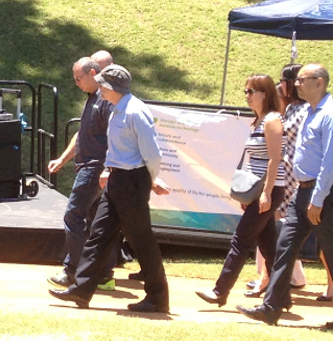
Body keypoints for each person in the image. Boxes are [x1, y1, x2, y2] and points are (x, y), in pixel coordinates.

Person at [51, 65, 173, 313]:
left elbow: (152, 154)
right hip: (117, 178)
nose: (99, 88)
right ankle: (82, 290)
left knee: (141, 240)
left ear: (110, 87)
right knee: (99, 235)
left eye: (102, 84)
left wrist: (151, 180)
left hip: (132, 181)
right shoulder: (117, 109)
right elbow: (116, 149)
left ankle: (158, 297)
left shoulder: (135, 112)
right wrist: (108, 169)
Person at [241, 63, 333, 324]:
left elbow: (330, 161)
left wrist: (317, 199)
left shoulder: (329, 113)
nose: (296, 84)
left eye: (302, 80)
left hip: (323, 194)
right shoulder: (307, 112)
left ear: (319, 82)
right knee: (284, 246)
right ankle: (271, 307)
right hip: (302, 193)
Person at [198, 75, 285, 306]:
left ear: (264, 94)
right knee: (268, 247)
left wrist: (265, 193)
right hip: (258, 189)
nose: (247, 95)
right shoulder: (257, 121)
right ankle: (283, 297)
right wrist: (248, 193)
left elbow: (275, 159)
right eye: (245, 91)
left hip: (270, 189)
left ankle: (220, 291)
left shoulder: (272, 120)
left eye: (251, 91)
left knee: (241, 238)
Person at [46, 56, 116, 290]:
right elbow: (80, 135)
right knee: (97, 224)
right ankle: (103, 275)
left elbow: (115, 136)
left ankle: (73, 271)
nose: (76, 83)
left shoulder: (105, 101)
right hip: (90, 167)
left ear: (94, 73)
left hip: (94, 169)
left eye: (79, 78)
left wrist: (108, 168)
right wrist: (62, 159)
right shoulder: (92, 100)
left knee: (73, 216)